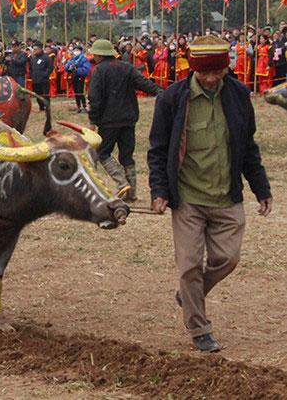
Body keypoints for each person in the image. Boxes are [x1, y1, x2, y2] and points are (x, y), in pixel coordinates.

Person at [148, 35, 272, 352]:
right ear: (194, 69)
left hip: (226, 196)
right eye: (206, 73)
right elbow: (158, 151)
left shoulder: (239, 94)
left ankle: (190, 293)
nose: (213, 78)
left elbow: (248, 146)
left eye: (219, 71)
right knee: (189, 265)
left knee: (228, 258)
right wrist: (159, 191)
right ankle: (199, 327)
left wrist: (261, 188)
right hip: (188, 199)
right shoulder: (172, 99)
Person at [87, 39, 162, 200]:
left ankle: (121, 183)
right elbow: (143, 83)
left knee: (102, 152)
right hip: (129, 119)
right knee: (127, 156)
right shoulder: (126, 67)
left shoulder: (99, 71)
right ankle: (132, 193)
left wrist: (93, 120)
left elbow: (95, 98)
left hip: (109, 121)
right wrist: (161, 92)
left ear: (99, 55)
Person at [64, 47, 91, 114]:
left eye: (77, 50)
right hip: (74, 76)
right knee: (76, 91)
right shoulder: (72, 59)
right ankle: (78, 106)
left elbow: (86, 69)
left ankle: (84, 106)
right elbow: (66, 67)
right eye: (75, 50)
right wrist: (69, 68)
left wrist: (77, 69)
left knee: (80, 91)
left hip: (81, 77)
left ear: (81, 51)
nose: (76, 52)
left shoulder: (84, 59)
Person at [28, 42, 53, 111]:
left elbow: (50, 67)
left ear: (40, 49)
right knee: (37, 94)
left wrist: (45, 74)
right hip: (35, 79)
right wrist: (31, 75)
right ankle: (41, 107)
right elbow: (30, 68)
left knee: (45, 94)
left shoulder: (46, 58)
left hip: (44, 80)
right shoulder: (33, 58)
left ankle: (47, 106)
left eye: (35, 49)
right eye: (33, 49)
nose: (34, 51)